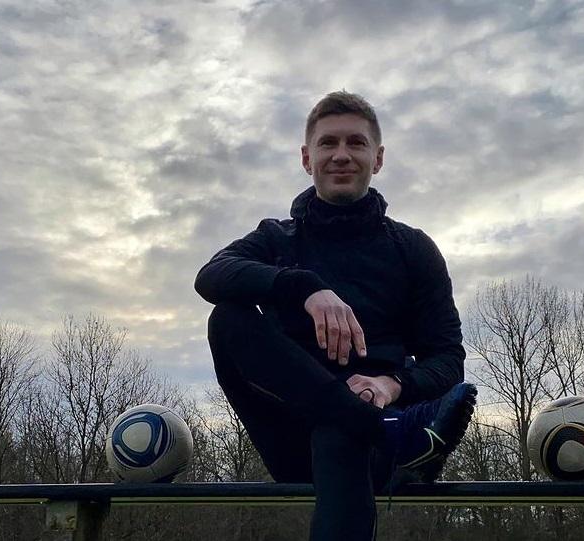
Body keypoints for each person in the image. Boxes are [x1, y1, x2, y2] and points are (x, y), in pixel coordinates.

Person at [195, 90, 477, 541]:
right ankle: (381, 428)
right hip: (292, 435)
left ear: (377, 158)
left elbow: (447, 359)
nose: (341, 155)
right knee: (228, 317)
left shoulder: (412, 249)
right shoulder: (276, 238)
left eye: (356, 143)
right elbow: (211, 276)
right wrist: (304, 286)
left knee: (339, 431)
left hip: (376, 446)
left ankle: (374, 424)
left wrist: (392, 385)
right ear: (307, 158)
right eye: (328, 143)